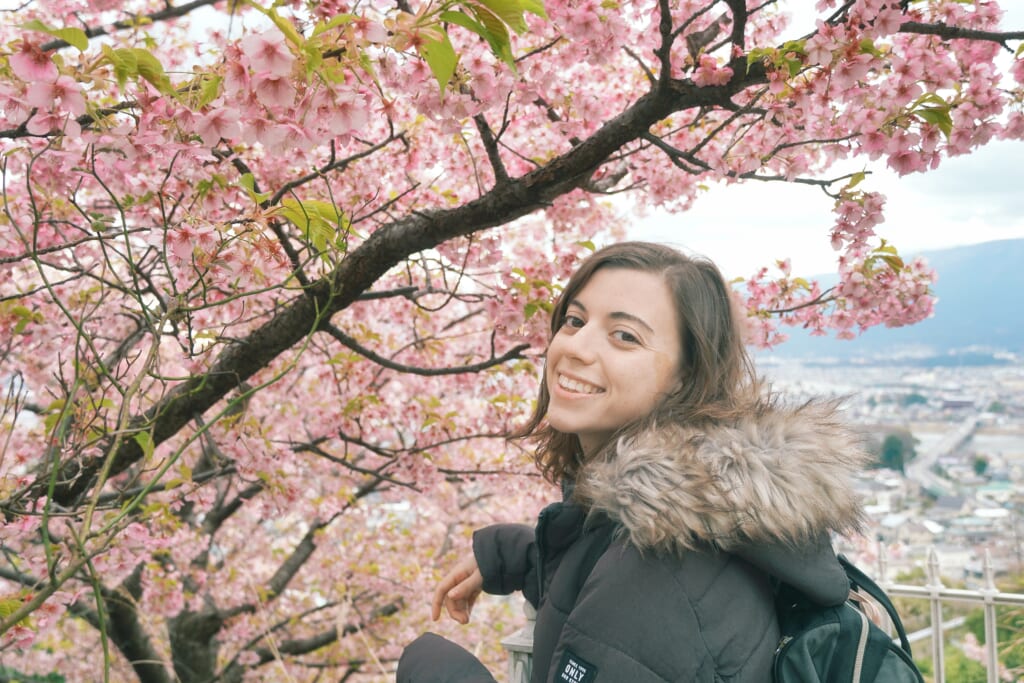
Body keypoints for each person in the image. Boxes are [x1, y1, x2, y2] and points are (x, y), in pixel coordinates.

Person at [397, 241, 871, 682]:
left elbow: (633, 607)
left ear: (686, 378)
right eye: (575, 321)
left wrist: (430, 667)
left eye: (624, 336)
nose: (576, 349)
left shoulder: (658, 567)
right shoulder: (687, 516)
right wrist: (512, 555)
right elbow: (606, 606)